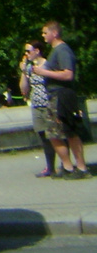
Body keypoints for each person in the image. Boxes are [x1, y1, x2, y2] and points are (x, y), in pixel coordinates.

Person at [33, 21, 90, 178]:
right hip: (54, 96)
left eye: (45, 33)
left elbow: (68, 74)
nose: (43, 36)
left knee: (70, 132)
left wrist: (44, 73)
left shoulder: (62, 50)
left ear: (55, 33)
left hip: (63, 95)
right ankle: (67, 167)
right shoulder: (54, 51)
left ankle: (82, 168)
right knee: (53, 133)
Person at [19, 40, 58, 177]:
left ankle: (65, 165)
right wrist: (24, 72)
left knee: (55, 136)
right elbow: (23, 89)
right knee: (43, 136)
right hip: (36, 104)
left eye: (28, 51)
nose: (26, 54)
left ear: (37, 51)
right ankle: (50, 167)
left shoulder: (47, 64)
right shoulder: (30, 67)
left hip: (48, 103)